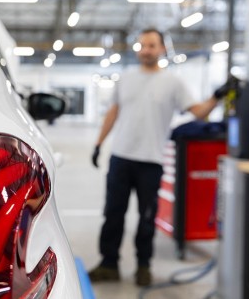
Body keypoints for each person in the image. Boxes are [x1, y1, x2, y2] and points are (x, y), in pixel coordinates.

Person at [88, 28, 229, 286]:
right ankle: (109, 264)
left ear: (162, 49)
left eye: (152, 45)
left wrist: (216, 97)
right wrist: (98, 144)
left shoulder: (172, 83)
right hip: (121, 158)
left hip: (151, 162)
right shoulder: (126, 78)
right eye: (142, 45)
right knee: (113, 214)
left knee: (146, 218)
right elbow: (113, 113)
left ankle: (144, 266)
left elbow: (197, 112)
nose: (146, 50)